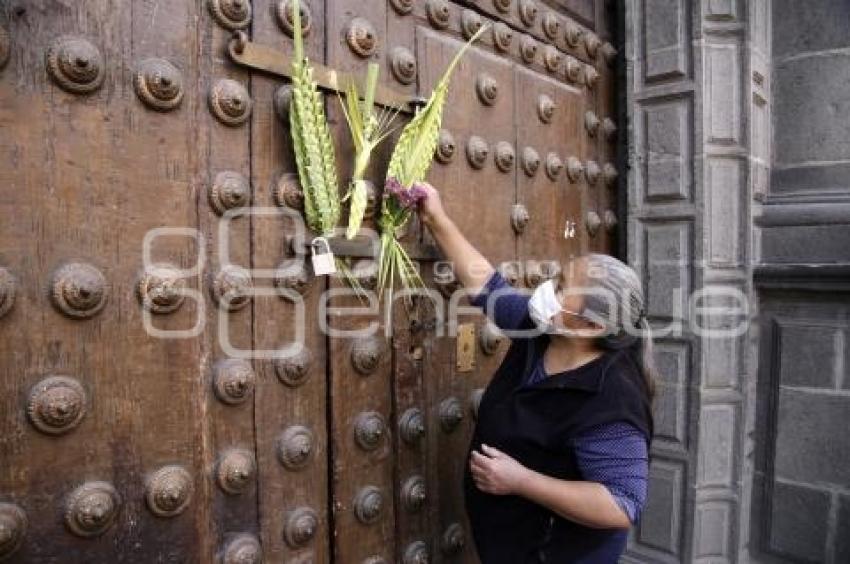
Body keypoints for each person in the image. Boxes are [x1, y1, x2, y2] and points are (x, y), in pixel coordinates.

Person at [416, 182, 655, 563]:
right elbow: (487, 287)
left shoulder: (612, 399)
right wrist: (435, 217)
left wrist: (520, 481)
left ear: (593, 327)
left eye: (562, 288)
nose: (547, 290)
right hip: (512, 541)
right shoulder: (546, 328)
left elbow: (620, 505)